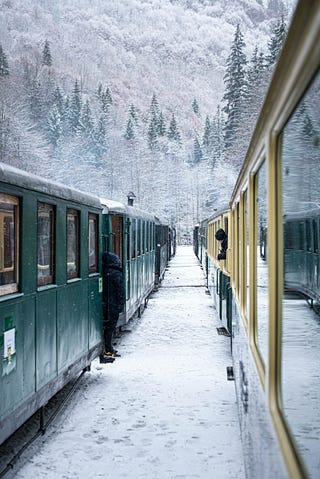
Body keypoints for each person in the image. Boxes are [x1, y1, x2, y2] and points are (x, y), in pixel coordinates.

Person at [100, 252, 125, 362]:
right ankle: (108, 349)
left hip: (105, 304)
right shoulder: (116, 274)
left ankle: (107, 348)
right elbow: (120, 291)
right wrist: (121, 304)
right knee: (110, 328)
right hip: (113, 305)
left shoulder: (104, 272)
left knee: (107, 328)